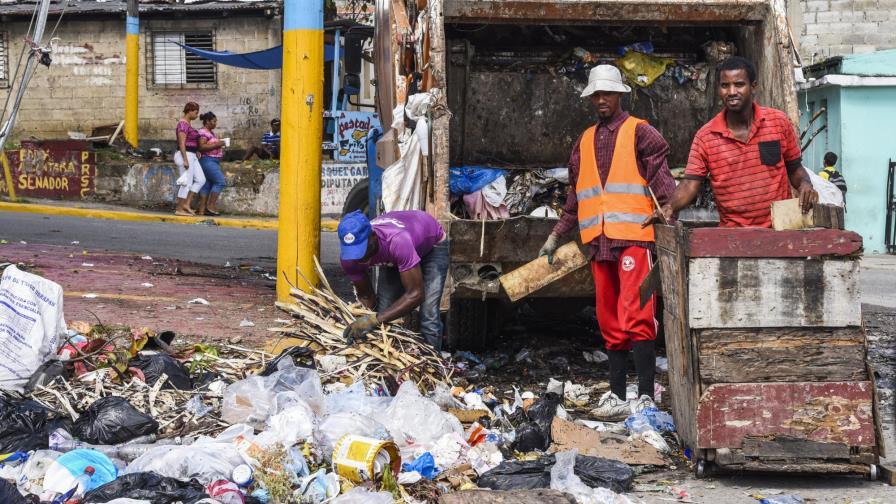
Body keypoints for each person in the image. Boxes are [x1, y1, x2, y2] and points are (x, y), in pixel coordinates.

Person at [538, 64, 676, 421]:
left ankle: (645, 395)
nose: (601, 100)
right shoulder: (584, 141)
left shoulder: (641, 133)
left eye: (607, 94)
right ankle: (616, 394)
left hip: (634, 238)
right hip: (598, 242)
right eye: (596, 95)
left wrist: (671, 223)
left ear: (619, 95)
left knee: (637, 314)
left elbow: (663, 186)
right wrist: (556, 236)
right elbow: (575, 198)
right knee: (609, 318)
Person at [643, 56, 818, 227]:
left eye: (739, 84)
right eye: (725, 86)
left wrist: (805, 183)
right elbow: (689, 184)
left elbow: (795, 168)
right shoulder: (706, 136)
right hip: (733, 237)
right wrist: (669, 207)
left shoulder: (778, 122)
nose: (732, 92)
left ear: (753, 86)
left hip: (780, 228)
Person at [338, 210, 450, 350]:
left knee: (428, 314)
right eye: (352, 252)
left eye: (361, 249)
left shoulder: (397, 241)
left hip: (431, 245)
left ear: (373, 237)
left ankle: (433, 364)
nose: (358, 258)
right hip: (397, 256)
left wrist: (375, 320)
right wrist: (364, 320)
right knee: (384, 311)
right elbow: (366, 296)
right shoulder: (349, 259)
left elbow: (416, 294)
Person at [174, 102, 206, 216]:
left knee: (201, 179)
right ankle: (179, 209)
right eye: (196, 112)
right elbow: (182, 143)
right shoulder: (182, 124)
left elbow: (191, 141)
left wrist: (196, 150)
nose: (197, 115)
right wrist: (185, 159)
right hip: (185, 154)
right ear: (190, 111)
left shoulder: (188, 124)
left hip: (192, 155)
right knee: (186, 182)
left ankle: (186, 204)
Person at [197, 112, 227, 216]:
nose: (216, 123)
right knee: (220, 182)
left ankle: (201, 210)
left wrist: (218, 146)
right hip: (207, 160)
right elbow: (201, 147)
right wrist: (217, 144)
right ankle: (211, 207)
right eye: (214, 121)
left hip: (212, 161)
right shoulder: (203, 132)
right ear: (208, 121)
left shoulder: (210, 132)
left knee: (207, 185)